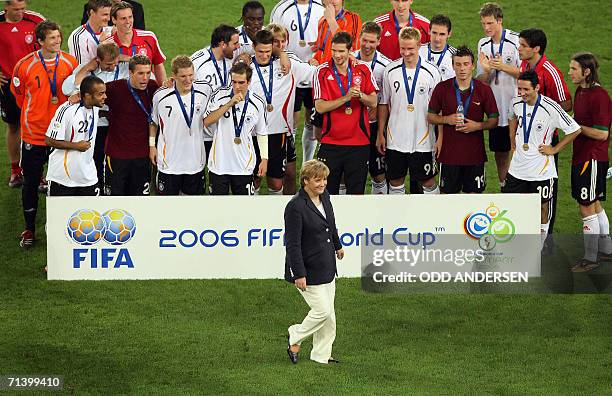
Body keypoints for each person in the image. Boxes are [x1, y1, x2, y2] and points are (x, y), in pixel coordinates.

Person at [11, 20, 77, 248]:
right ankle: (29, 228)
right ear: (40, 41)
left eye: (58, 37)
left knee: (62, 182)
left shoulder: (70, 62)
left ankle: (62, 227)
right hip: (34, 135)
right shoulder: (24, 65)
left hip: (61, 135)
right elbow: (19, 95)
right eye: (52, 38)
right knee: (30, 182)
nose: (57, 41)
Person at [503, 71, 581, 248]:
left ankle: (538, 247)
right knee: (512, 207)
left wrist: (554, 149)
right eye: (519, 88)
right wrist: (512, 138)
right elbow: (512, 117)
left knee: (542, 208)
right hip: (517, 169)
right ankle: (515, 244)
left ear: (537, 88)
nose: (521, 93)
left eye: (526, 89)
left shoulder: (550, 107)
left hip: (541, 170)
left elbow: (574, 129)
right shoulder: (515, 102)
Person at [284, 159, 344, 365]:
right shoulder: (295, 207)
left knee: (330, 318)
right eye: (318, 180)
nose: (323, 184)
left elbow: (331, 224)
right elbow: (292, 244)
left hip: (326, 264)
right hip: (307, 270)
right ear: (305, 181)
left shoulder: (324, 197)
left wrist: (337, 245)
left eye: (325, 179)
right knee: (322, 311)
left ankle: (321, 355)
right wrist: (298, 274)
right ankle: (295, 335)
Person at [518, 28, 572, 240]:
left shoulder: (550, 71)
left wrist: (544, 115)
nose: (519, 49)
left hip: (545, 141)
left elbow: (567, 103)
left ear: (536, 49)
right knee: (525, 186)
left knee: (545, 193)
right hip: (526, 140)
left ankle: (546, 238)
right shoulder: (525, 65)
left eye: (523, 45)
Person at [249, 29, 315, 195]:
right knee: (254, 180)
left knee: (277, 182)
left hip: (279, 133)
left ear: (273, 48)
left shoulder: (288, 65)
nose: (264, 55)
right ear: (253, 48)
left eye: (267, 51)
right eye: (260, 52)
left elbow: (317, 74)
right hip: (253, 134)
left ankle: (277, 218)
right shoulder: (246, 70)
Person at [376, 27, 440, 195]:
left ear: (419, 45)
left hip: (424, 138)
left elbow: (438, 109)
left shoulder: (432, 72)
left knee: (428, 181)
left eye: (410, 48)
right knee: (395, 181)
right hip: (395, 138)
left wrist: (441, 138)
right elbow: (383, 103)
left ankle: (433, 218)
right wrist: (380, 133)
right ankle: (398, 219)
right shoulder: (390, 70)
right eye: (402, 48)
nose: (406, 52)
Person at [313, 31, 378, 195]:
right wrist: (345, 98)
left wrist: (360, 96)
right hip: (331, 143)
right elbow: (320, 107)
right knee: (326, 194)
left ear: (350, 51)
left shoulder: (363, 69)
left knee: (356, 194)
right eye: (334, 50)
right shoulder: (322, 72)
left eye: (341, 51)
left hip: (359, 143)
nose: (337, 55)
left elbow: (374, 101)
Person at [428, 45, 498, 193]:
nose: (462, 68)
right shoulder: (442, 88)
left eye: (466, 64)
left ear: (472, 66)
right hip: (448, 156)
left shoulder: (483, 89)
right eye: (458, 64)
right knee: (448, 200)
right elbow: (430, 116)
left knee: (473, 200)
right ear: (452, 66)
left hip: (475, 155)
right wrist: (447, 119)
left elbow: (494, 120)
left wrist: (477, 126)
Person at [566, 52, 612, 271]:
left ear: (587, 71)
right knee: (594, 204)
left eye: (574, 69)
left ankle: (591, 258)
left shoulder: (600, 96)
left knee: (585, 207)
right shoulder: (581, 91)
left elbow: (602, 134)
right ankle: (606, 251)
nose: (570, 72)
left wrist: (575, 127)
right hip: (583, 156)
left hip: (591, 158)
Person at [62, 42, 127, 193]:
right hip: (93, 126)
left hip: (116, 125)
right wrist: (86, 69)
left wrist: (128, 58)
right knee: (94, 160)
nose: (112, 67)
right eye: (108, 64)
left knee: (115, 162)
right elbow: (67, 89)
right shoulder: (86, 69)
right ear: (98, 59)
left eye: (115, 63)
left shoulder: (123, 68)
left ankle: (113, 191)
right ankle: (95, 190)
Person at [269, 0, 325, 167]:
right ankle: (288, 157)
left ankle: (306, 163)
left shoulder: (320, 7)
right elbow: (270, 36)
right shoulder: (282, 7)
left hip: (311, 70)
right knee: (291, 117)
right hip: (289, 71)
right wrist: (283, 54)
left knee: (311, 118)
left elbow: (328, 37)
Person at [149, 56, 213, 195]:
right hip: (169, 163)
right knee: (167, 207)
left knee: (193, 207)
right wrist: (152, 146)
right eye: (183, 76)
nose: (188, 80)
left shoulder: (205, 90)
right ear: (174, 76)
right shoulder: (161, 95)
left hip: (195, 162)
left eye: (191, 75)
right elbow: (153, 122)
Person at [203, 62, 268, 195]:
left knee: (245, 210)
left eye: (241, 82)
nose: (237, 86)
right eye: (234, 82)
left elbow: (262, 133)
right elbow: (207, 122)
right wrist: (229, 104)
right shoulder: (219, 96)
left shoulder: (257, 102)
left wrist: (264, 159)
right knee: (217, 210)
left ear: (249, 82)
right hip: (219, 165)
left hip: (244, 165)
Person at [0, 0, 45, 188]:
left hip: (34, 83)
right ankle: (15, 171)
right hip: (8, 84)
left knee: (38, 127)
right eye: (16, 9)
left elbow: (51, 41)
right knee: (14, 126)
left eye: (23, 8)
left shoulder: (36, 21)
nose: (21, 12)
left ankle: (38, 174)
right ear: (6, 7)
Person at [476, 2, 520, 191]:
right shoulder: (482, 44)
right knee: (500, 153)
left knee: (518, 151)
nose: (486, 28)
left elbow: (526, 74)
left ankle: (520, 188)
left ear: (500, 21)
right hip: (496, 108)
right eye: (483, 23)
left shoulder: (516, 41)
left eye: (490, 23)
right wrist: (487, 71)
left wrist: (503, 67)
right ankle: (505, 188)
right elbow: (481, 80)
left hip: (517, 106)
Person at [104, 54, 158, 196]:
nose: (145, 78)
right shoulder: (114, 89)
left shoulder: (153, 88)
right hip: (117, 156)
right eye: (140, 73)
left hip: (143, 155)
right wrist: (76, 95)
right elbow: (89, 92)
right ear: (130, 72)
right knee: (115, 201)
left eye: (148, 73)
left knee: (140, 200)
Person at [45, 76, 106, 196]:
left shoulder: (95, 107)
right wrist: (76, 146)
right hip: (63, 178)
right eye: (101, 94)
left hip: (88, 177)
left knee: (90, 214)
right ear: (88, 95)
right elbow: (49, 140)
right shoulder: (67, 110)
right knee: (61, 215)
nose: (105, 97)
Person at [354, 21, 391, 194]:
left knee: (378, 173)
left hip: (375, 125)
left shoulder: (386, 67)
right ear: (359, 38)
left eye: (372, 41)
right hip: (353, 125)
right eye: (364, 40)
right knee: (350, 173)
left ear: (379, 42)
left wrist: (381, 132)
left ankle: (381, 214)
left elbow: (388, 100)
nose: (367, 45)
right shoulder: (349, 60)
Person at [267, 23, 299, 194]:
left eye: (283, 41)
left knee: (290, 173)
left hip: (282, 131)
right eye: (275, 42)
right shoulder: (254, 61)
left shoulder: (291, 61)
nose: (280, 45)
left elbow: (312, 72)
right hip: (261, 131)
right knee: (259, 176)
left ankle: (290, 210)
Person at [105, 1, 166, 82]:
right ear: (114, 20)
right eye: (123, 18)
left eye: (130, 17)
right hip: (120, 91)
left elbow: (158, 64)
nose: (128, 21)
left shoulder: (149, 37)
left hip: (147, 89)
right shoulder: (107, 45)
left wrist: (164, 90)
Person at [312, 0, 361, 65]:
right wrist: (314, 60)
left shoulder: (353, 18)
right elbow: (321, 49)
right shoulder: (322, 21)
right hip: (324, 70)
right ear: (323, 1)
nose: (332, 1)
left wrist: (331, 20)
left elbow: (353, 49)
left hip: (342, 71)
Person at [68, 0, 112, 65]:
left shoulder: (110, 31)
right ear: (92, 13)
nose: (108, 19)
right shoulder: (78, 37)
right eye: (105, 15)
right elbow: (81, 70)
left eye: (109, 14)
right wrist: (101, 46)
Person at [418, 14, 455, 81]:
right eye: (434, 33)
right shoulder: (417, 52)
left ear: (449, 34)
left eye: (442, 34)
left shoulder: (455, 56)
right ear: (429, 31)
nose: (437, 38)